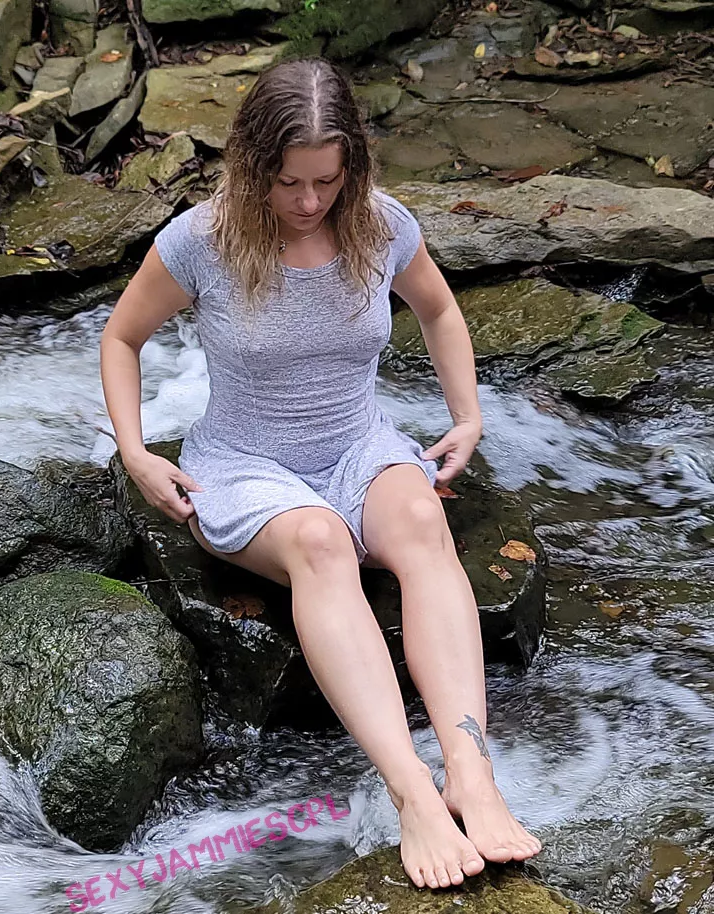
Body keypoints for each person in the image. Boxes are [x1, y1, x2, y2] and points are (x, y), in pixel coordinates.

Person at [98, 58, 541, 889]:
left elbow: (440, 309)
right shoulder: (200, 240)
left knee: (423, 522)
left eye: (326, 182)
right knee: (322, 543)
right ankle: (412, 792)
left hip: (357, 445)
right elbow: (121, 338)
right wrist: (135, 451)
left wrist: (468, 415)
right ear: (253, 165)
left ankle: (470, 772)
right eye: (289, 182)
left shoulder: (381, 225)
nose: (308, 202)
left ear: (352, 168)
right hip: (246, 463)